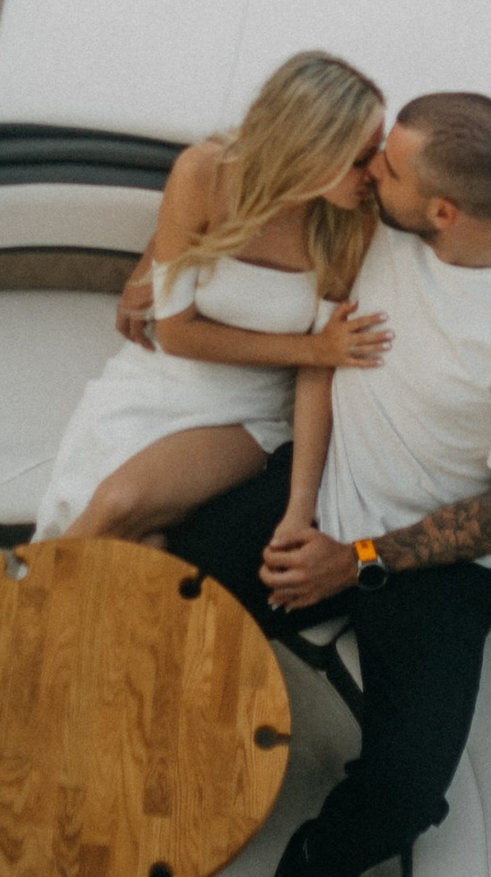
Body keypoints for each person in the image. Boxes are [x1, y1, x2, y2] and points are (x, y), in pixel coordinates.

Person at [169, 89, 491, 877]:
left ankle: (311, 871)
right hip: (321, 488)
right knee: (174, 592)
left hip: (429, 566)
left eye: (386, 167)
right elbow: (315, 346)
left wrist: (354, 559)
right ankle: (192, 751)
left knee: (409, 791)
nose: (367, 171)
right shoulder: (383, 223)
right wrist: (302, 512)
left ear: (442, 210)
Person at [33, 50, 392, 544]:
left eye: (379, 149)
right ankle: (37, 595)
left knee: (120, 503)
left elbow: (318, 373)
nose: (375, 172)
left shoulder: (351, 221)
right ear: (310, 151)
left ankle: (32, 591)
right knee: (122, 527)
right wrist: (313, 347)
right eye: (361, 158)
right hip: (163, 371)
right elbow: (176, 334)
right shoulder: (203, 173)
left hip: (253, 407)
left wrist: (300, 507)